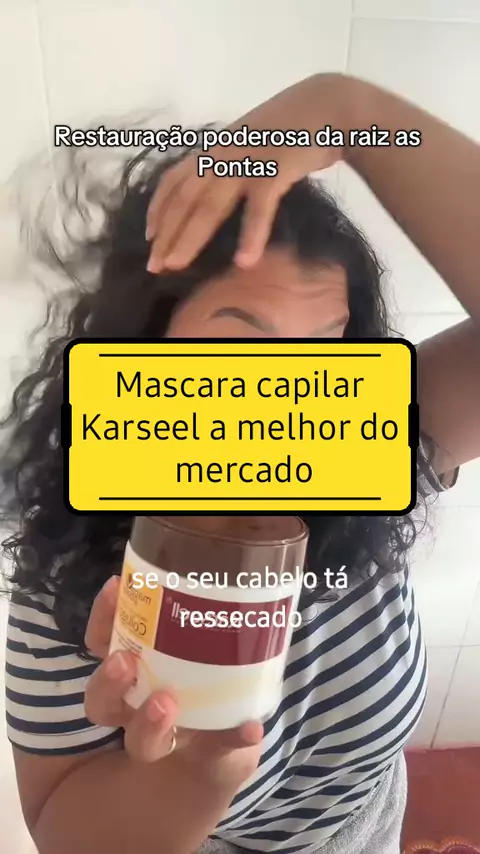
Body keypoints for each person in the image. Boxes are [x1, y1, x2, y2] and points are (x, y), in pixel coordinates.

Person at [1, 72, 479, 854]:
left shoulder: (372, 441)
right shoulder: (70, 558)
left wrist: (349, 113)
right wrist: (197, 772)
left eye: (324, 349)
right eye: (236, 346)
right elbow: (68, 836)